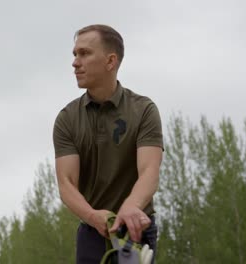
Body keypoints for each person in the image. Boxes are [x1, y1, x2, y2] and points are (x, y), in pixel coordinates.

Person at [53, 24, 164, 264]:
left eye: (84, 53)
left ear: (110, 61)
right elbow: (66, 183)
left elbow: (149, 171)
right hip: (92, 232)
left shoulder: (143, 110)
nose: (75, 62)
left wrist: (131, 206)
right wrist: (93, 216)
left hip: (137, 228)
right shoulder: (67, 119)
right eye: (75, 54)